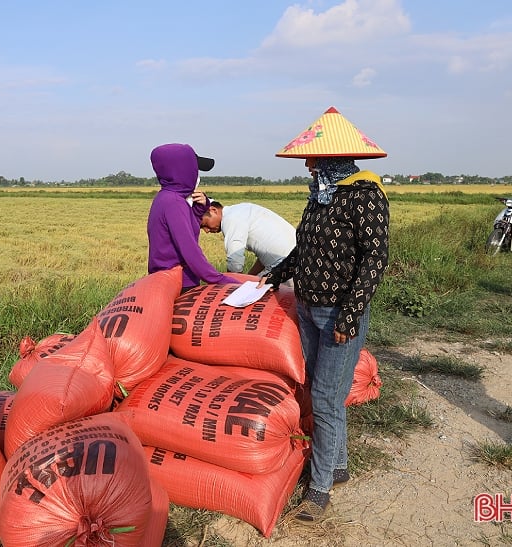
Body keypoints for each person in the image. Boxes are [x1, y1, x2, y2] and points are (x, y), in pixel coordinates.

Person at [260, 107, 390, 522]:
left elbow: (374, 260)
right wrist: (275, 275)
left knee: (325, 399)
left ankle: (318, 492)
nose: (307, 164)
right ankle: (337, 466)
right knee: (323, 390)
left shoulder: (365, 196)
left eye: (314, 158)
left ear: (334, 158)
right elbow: (305, 250)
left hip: (340, 315)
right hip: (309, 308)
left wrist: (351, 315)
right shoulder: (319, 196)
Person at [147, 143, 239, 290]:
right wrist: (219, 279)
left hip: (168, 281)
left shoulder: (167, 198)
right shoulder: (174, 203)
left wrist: (199, 209)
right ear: (183, 171)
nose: (196, 175)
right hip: (179, 283)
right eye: (194, 169)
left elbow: (187, 231)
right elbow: (189, 250)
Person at [199, 200, 296, 276]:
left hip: (284, 268)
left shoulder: (230, 219)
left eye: (204, 224)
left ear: (213, 210)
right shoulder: (241, 209)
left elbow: (235, 263)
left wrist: (229, 288)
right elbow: (265, 254)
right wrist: (250, 277)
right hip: (296, 260)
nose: (206, 231)